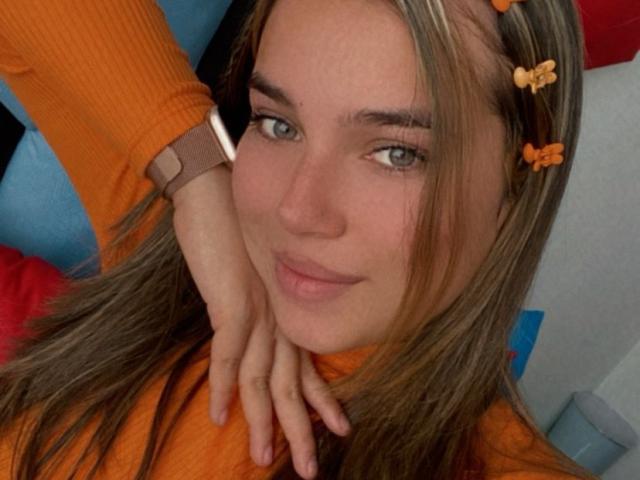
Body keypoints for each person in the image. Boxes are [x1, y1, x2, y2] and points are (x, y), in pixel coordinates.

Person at [0, 0, 597, 478]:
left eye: (398, 153)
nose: (296, 211)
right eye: (278, 124)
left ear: (517, 186)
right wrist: (197, 180)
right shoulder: (199, 258)